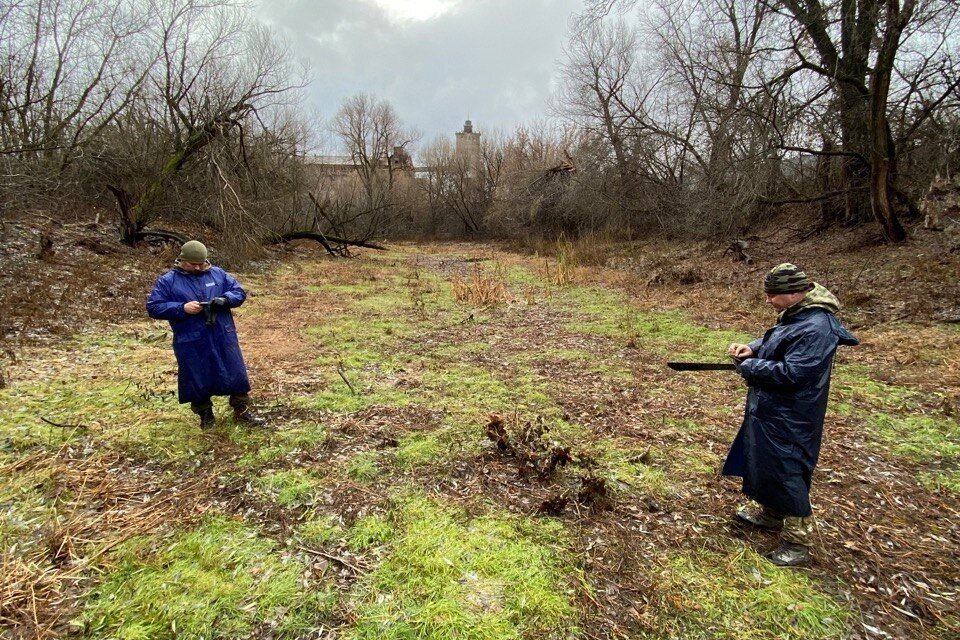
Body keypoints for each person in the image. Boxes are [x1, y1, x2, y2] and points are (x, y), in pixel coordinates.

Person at [724, 263, 858, 566]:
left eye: (773, 295)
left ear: (795, 293)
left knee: (787, 468)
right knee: (764, 461)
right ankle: (771, 513)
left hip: (793, 413)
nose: (768, 300)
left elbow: (796, 372)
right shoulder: (799, 315)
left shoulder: (818, 326)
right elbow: (781, 344)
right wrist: (753, 349)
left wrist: (751, 368)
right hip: (772, 407)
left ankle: (798, 542)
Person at [146, 240, 265, 429]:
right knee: (196, 378)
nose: (198, 267)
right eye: (193, 264)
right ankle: (206, 417)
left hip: (222, 335)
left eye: (201, 263)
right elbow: (154, 307)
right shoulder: (168, 281)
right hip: (191, 338)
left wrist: (225, 300)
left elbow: (239, 292)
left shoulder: (218, 274)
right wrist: (181, 308)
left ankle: (242, 412)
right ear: (182, 261)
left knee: (235, 373)